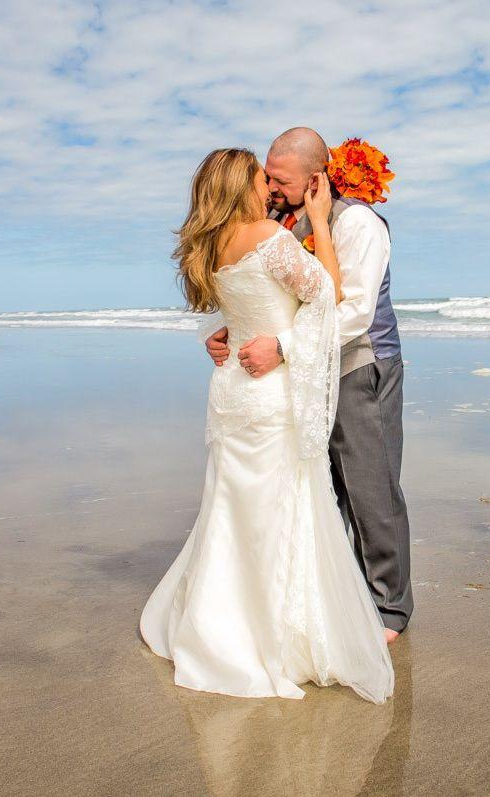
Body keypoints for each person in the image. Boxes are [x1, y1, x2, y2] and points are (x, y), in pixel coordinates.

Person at [139, 148, 394, 704]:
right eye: (262, 178)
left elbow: (243, 311)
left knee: (232, 510)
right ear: (242, 185)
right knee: (279, 511)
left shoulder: (208, 246)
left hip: (234, 391)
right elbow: (328, 297)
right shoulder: (268, 236)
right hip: (270, 392)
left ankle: (214, 624)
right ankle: (272, 636)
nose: (269, 188)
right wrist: (320, 223)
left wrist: (222, 335)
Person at [206, 128, 413, 642]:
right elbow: (281, 294)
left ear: (316, 178)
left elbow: (355, 311)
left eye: (281, 180)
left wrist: (282, 346)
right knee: (323, 489)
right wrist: (235, 332)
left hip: (359, 366)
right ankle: (335, 598)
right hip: (304, 374)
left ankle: (390, 608)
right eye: (268, 178)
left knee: (370, 486)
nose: (272, 189)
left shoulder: (357, 222)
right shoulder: (281, 221)